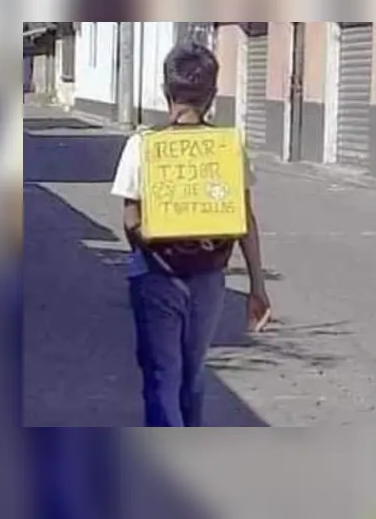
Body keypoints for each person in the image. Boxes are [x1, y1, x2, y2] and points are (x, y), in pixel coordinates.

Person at [110, 41, 271, 426]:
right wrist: (257, 286)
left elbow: (130, 218)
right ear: (213, 96)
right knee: (193, 374)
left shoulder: (143, 145)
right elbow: (245, 219)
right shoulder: (228, 149)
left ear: (166, 92)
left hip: (156, 277)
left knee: (162, 375)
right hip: (209, 278)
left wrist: (160, 236)